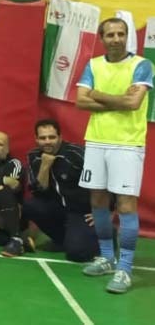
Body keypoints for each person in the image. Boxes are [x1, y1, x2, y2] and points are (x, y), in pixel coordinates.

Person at [75, 17, 153, 293]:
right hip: (96, 141)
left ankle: (125, 269)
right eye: (110, 35)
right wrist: (117, 99)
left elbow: (133, 103)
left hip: (127, 144)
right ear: (102, 38)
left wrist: (97, 94)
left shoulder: (142, 65)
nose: (116, 39)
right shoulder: (93, 65)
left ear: (127, 36)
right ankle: (107, 258)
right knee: (97, 200)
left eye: (121, 34)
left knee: (126, 205)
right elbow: (80, 101)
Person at [24, 119, 97, 262]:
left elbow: (103, 178)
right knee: (31, 206)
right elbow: (38, 192)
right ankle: (64, 240)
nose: (47, 142)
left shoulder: (77, 153)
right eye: (43, 138)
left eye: (51, 137)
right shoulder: (34, 156)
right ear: (36, 139)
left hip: (81, 211)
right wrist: (45, 166)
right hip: (57, 208)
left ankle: (105, 234)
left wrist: (103, 211)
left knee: (77, 254)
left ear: (60, 137)